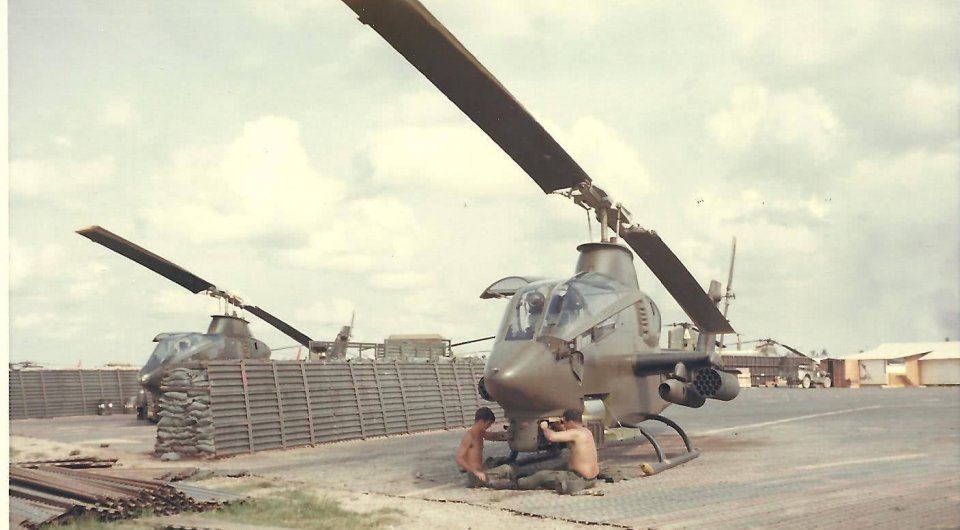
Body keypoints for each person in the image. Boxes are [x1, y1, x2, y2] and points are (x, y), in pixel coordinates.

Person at [517, 408, 599, 494]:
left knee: (541, 475)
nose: (564, 425)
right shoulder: (586, 432)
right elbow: (568, 434)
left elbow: (551, 437)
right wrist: (559, 426)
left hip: (578, 479)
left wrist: (544, 428)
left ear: (570, 422)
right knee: (557, 467)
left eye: (564, 422)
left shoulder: (575, 433)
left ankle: (516, 484)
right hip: (591, 479)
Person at [455, 407, 514, 488]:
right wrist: (476, 472)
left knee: (498, 460)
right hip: (475, 477)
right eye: (488, 424)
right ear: (481, 421)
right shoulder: (470, 436)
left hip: (481, 469)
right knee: (506, 469)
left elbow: (493, 436)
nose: (489, 426)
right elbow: (459, 459)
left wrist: (507, 435)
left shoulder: (480, 433)